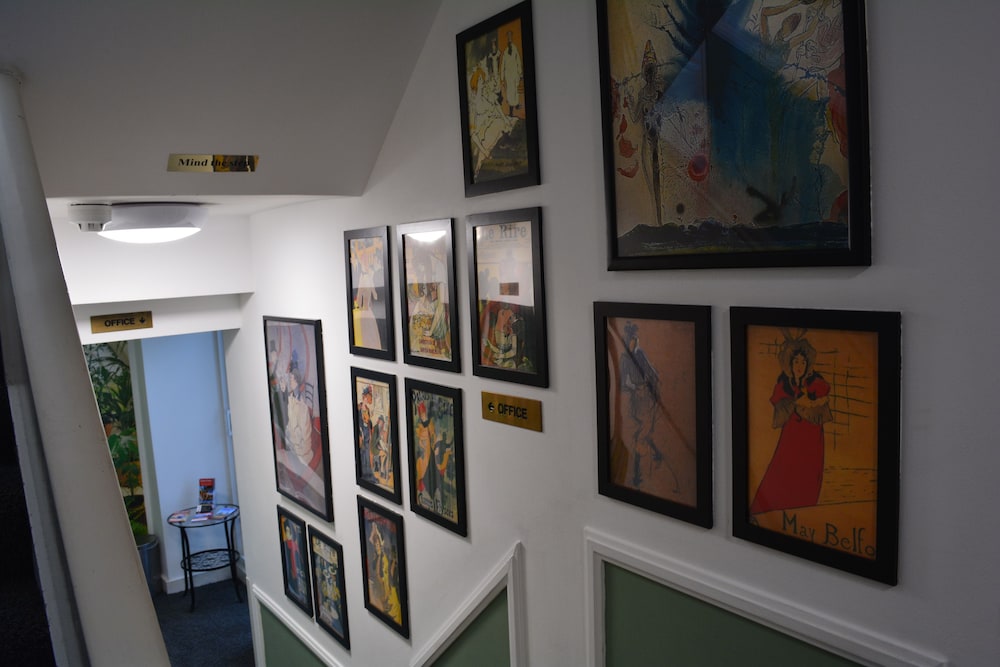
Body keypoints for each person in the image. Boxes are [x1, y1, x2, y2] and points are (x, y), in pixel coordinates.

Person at [749, 331, 833, 515]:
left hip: (811, 436)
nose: (799, 366)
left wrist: (809, 403)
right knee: (784, 467)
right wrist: (794, 402)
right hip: (792, 434)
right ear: (790, 363)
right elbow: (778, 401)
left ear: (808, 364)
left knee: (808, 471)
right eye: (796, 362)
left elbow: (822, 400)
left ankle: (803, 509)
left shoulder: (815, 383)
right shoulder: (784, 385)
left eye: (803, 362)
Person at [619, 321, 677, 489]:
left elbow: (652, 373)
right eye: (630, 339)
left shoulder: (640, 354)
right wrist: (635, 388)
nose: (632, 342)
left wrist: (649, 384)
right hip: (638, 401)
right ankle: (643, 467)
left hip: (647, 398)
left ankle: (644, 466)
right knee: (642, 433)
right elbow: (623, 383)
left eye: (634, 339)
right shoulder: (625, 359)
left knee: (642, 433)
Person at [500, 30, 523, 117]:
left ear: (511, 38)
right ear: (507, 39)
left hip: (515, 73)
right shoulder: (505, 52)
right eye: (508, 37)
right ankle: (511, 111)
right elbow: (503, 65)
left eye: (510, 37)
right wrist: (502, 78)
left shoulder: (515, 49)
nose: (509, 38)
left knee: (515, 91)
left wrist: (520, 73)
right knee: (510, 92)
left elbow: (518, 61)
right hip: (508, 75)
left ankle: (516, 105)